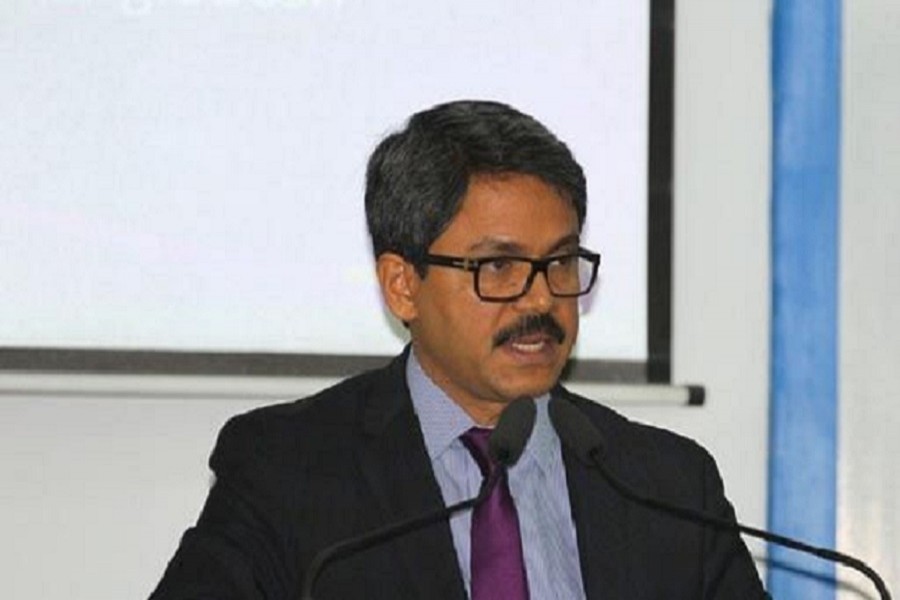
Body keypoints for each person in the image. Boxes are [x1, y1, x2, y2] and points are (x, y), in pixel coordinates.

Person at [150, 100, 767, 599]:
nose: (540, 301)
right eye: (497, 266)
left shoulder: (668, 486)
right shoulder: (288, 472)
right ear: (403, 285)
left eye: (560, 261)